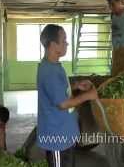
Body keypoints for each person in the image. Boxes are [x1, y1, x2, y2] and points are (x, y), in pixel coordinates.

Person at [37, 24, 98, 167]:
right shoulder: (49, 71)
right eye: (64, 40)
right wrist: (88, 96)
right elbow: (62, 104)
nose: (67, 43)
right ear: (53, 45)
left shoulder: (54, 65)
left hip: (63, 133)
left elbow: (58, 90)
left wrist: (76, 86)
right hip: (56, 138)